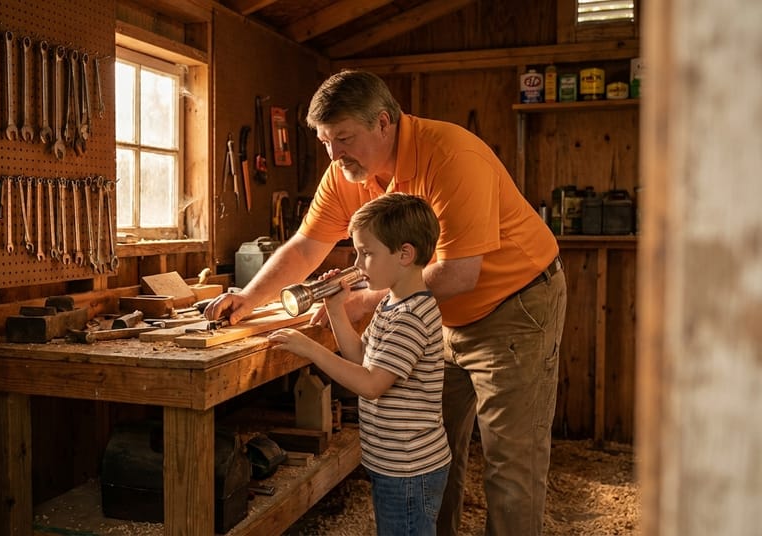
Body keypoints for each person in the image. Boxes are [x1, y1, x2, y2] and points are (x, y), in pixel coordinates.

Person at [205, 69, 567, 536]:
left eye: (344, 138)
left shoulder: (452, 156)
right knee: (432, 449)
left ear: (383, 123)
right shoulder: (347, 172)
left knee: (509, 463)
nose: (335, 155)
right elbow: (305, 247)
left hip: (514, 306)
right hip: (439, 315)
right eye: (325, 142)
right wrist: (249, 297)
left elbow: (459, 273)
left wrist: (365, 302)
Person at [268, 193, 449, 536]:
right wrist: (337, 308)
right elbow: (360, 359)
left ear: (405, 254)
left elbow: (370, 384)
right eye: (357, 253)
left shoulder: (411, 317)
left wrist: (310, 349)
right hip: (391, 463)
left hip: (410, 469)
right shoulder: (391, 305)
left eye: (366, 253)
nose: (358, 263)